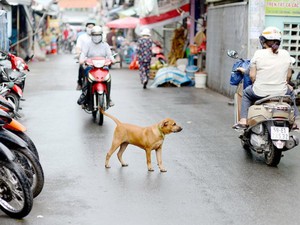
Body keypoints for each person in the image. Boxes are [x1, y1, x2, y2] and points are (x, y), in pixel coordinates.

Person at [233, 26, 299, 129]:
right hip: (281, 92)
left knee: (246, 93)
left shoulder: (259, 54)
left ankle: (243, 120)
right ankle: (296, 120)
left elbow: (252, 76)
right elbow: (288, 76)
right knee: (291, 92)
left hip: (260, 92)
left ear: (263, 41)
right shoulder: (286, 54)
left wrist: (255, 80)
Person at [77, 26, 115, 107]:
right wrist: (81, 60)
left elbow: (109, 55)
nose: (96, 37)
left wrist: (113, 60)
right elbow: (83, 54)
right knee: (87, 75)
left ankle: (109, 97)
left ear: (101, 35)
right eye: (94, 35)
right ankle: (84, 95)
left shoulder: (105, 45)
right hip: (91, 66)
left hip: (103, 66)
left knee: (108, 77)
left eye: (98, 35)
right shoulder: (87, 44)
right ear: (91, 35)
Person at [75, 22, 95, 90]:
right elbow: (78, 47)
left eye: (92, 27)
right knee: (81, 67)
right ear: (86, 28)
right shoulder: (81, 37)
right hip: (84, 57)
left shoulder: (98, 36)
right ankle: (80, 83)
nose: (90, 28)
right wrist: (78, 53)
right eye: (89, 27)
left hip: (96, 58)